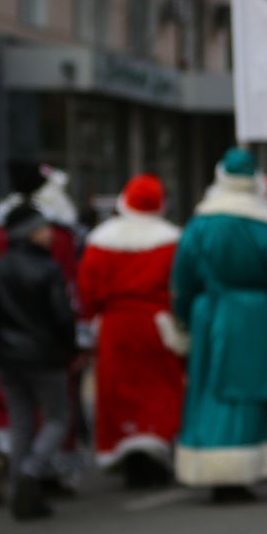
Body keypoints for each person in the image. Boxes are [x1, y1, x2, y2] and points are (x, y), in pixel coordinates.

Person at [165, 148, 267, 501]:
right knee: (249, 390)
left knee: (210, 387)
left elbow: (180, 278)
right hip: (254, 317)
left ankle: (214, 463)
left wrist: (183, 318)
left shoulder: (200, 224)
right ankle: (242, 467)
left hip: (210, 312)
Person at [0, 169, 84, 504]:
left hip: (3, 352)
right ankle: (35, 472)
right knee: (55, 417)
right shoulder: (54, 254)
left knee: (14, 418)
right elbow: (64, 310)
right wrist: (72, 347)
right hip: (45, 351)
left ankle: (5, 462)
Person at [74, 174, 183, 488]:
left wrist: (91, 320)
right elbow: (181, 285)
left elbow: (87, 289)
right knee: (159, 389)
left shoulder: (101, 239)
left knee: (118, 391)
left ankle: (127, 449)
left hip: (115, 327)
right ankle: (156, 446)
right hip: (157, 326)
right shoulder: (172, 240)